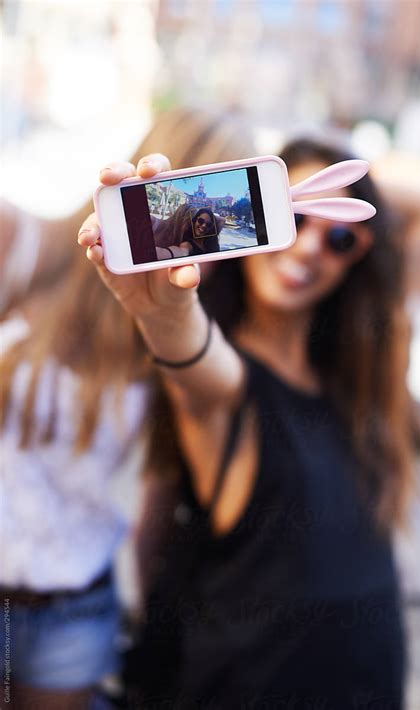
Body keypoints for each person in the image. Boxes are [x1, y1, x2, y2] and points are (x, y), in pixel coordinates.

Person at [78, 138, 419, 709]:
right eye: (294, 218)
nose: (309, 247)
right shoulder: (226, 378)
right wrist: (163, 312)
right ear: (259, 215)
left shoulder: (361, 378)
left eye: (338, 236)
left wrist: (304, 191)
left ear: (360, 255)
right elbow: (193, 364)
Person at [0, 106, 253, 710]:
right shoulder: (33, 246)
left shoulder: (185, 319)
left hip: (73, 607)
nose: (196, 221)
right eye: (191, 195)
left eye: (219, 208)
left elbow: (162, 489)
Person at [151, 204, 224, 260]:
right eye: (199, 221)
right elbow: (182, 252)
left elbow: (221, 220)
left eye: (208, 224)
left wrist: (205, 212)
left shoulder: (179, 237)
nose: (203, 226)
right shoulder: (153, 223)